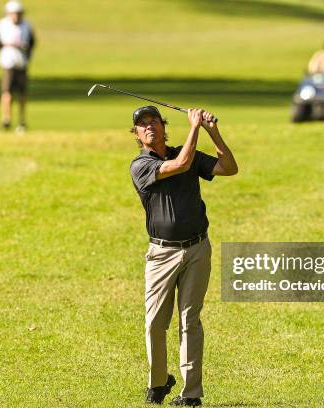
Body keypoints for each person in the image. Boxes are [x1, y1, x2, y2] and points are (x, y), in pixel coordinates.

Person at [129, 106, 238, 406]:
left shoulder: (185, 151)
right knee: (155, 323)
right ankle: (159, 382)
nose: (149, 126)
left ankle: (191, 395)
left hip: (197, 249)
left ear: (164, 128)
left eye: (154, 121)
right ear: (137, 135)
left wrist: (211, 130)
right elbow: (179, 164)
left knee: (190, 320)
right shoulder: (140, 165)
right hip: (162, 254)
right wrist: (194, 127)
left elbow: (229, 168)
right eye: (142, 125)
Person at [0, 1, 35, 133]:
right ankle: (6, 119)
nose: (16, 16)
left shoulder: (27, 25)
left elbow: (32, 43)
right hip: (8, 62)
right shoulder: (2, 24)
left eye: (18, 13)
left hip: (22, 62)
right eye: (14, 13)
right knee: (7, 93)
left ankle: (22, 121)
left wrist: (26, 53)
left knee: (22, 94)